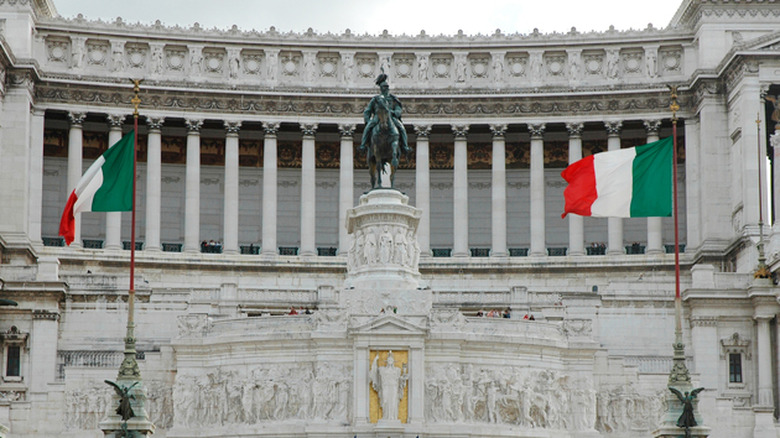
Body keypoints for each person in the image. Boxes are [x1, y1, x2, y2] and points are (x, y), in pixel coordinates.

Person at [359, 74, 410, 156]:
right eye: (384, 87)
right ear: (381, 88)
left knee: (401, 128)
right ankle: (363, 145)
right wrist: (368, 120)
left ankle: (405, 146)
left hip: (391, 117)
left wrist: (395, 112)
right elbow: (367, 111)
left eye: (386, 87)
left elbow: (398, 109)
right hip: (378, 117)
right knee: (368, 128)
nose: (385, 89)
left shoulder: (393, 98)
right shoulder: (376, 99)